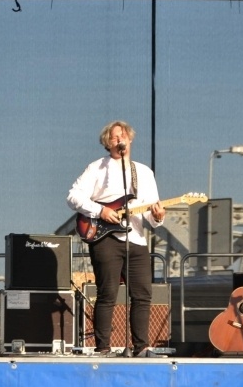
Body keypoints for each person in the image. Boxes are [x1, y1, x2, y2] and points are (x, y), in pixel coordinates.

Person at [66, 120, 165, 357]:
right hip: (105, 238)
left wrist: (158, 217)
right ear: (107, 143)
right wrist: (101, 211)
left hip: (136, 239)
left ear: (130, 139)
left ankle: (142, 347)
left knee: (142, 295)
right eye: (114, 137)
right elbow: (73, 197)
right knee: (107, 293)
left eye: (123, 136)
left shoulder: (144, 172)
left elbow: (150, 214)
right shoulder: (96, 168)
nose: (119, 139)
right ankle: (103, 349)